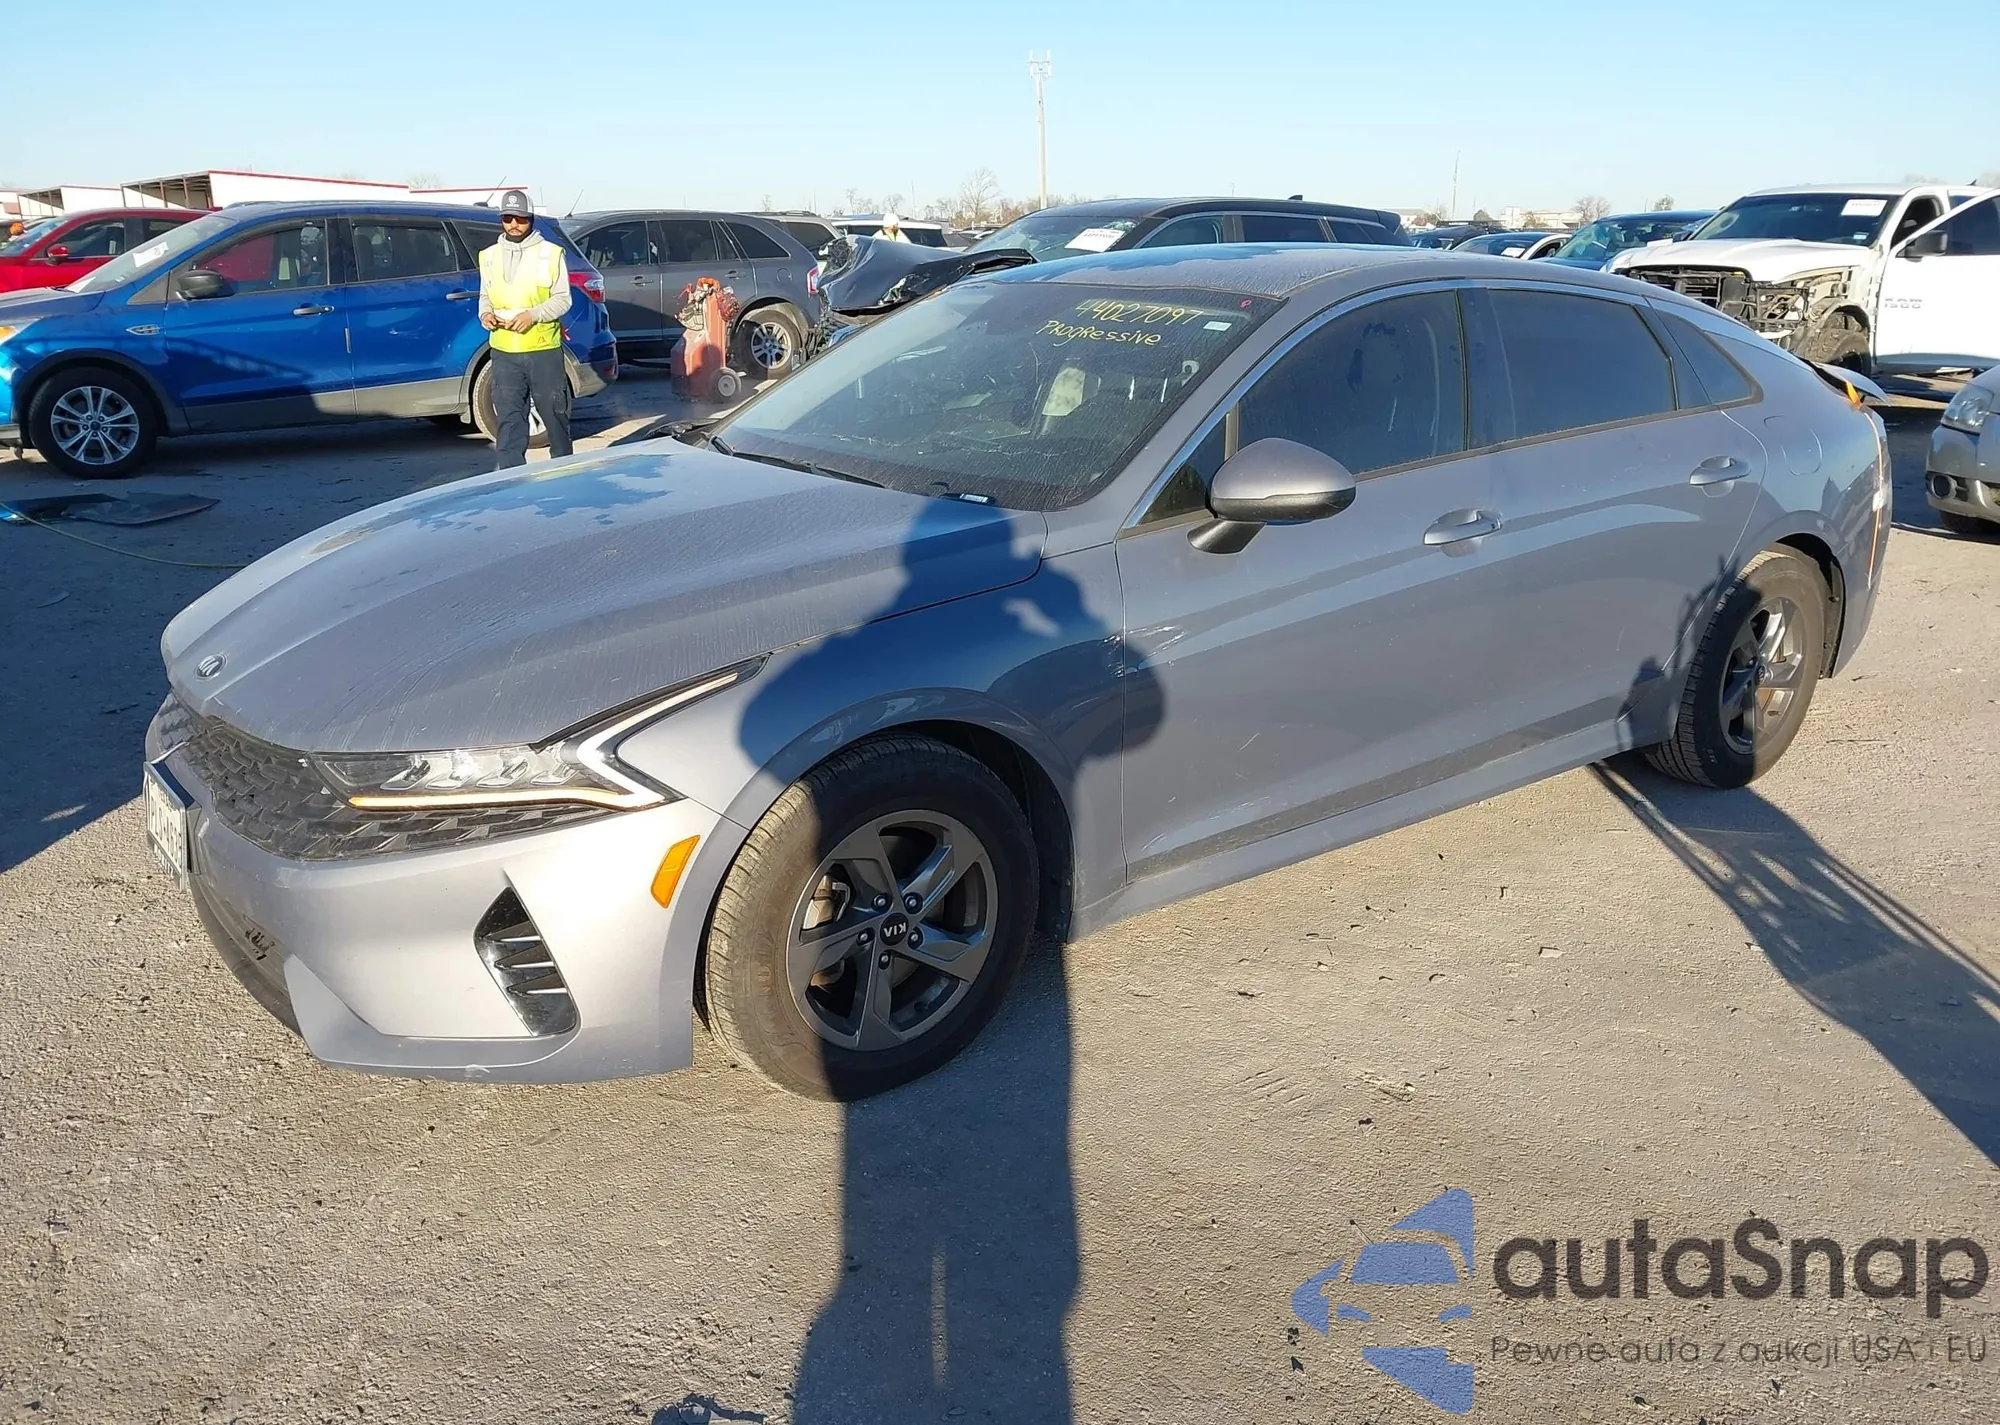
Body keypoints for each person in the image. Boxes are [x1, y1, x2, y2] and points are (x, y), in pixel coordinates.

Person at [477, 189, 573, 469]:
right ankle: (511, 479)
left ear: (530, 219)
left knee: (554, 416)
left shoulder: (550, 253)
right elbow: (485, 295)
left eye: (520, 218)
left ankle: (565, 473)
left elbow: (563, 299)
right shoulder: (489, 256)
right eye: (508, 218)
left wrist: (533, 315)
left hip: (543, 349)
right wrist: (485, 314)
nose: (514, 224)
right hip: (504, 351)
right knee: (509, 421)